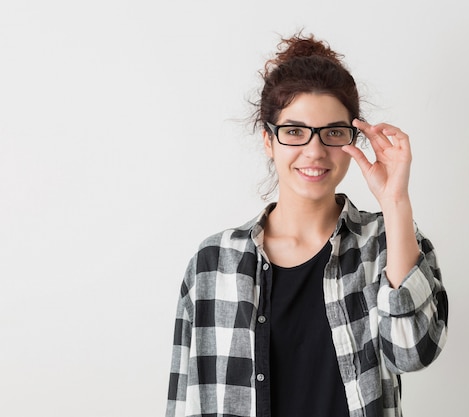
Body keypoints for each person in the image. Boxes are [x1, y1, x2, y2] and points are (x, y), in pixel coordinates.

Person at [166, 32, 448, 417]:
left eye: (333, 132)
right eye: (294, 131)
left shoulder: (385, 243)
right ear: (268, 140)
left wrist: (395, 201)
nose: (314, 151)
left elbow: (412, 351)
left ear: (354, 139)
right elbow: (186, 399)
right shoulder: (214, 263)